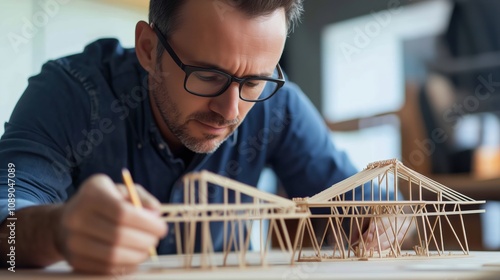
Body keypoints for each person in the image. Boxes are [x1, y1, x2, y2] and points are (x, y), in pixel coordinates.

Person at [0, 0, 403, 275]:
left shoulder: (278, 107)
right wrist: (58, 230)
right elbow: (6, 223)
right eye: (208, 76)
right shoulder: (69, 92)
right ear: (147, 48)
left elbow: (381, 206)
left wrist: (389, 222)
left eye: (256, 80)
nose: (230, 111)